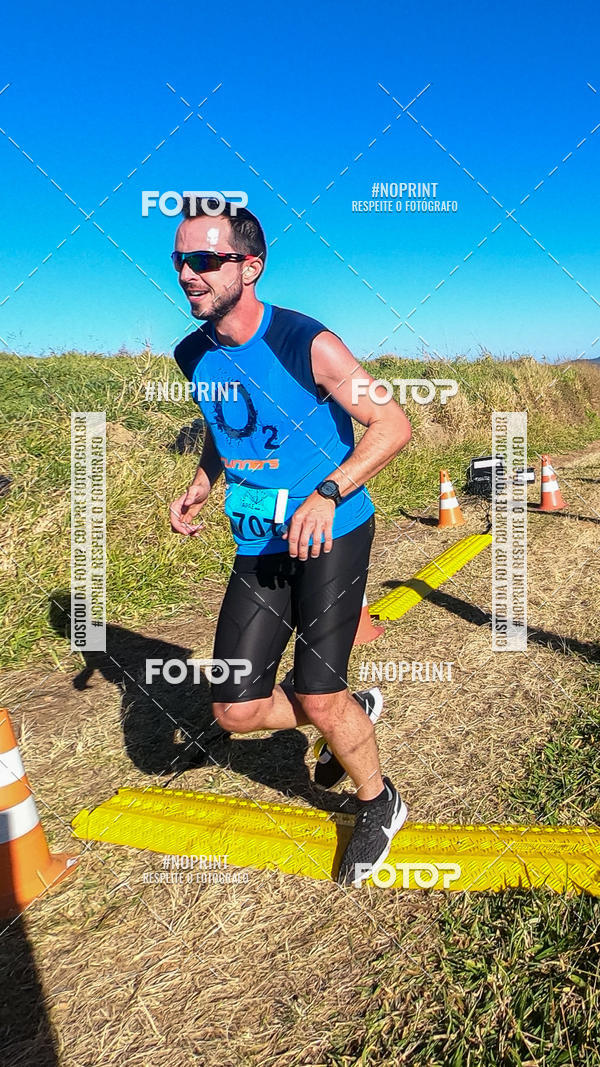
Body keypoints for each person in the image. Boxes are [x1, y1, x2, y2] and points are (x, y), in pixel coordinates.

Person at [169, 199, 412, 886]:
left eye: (205, 260)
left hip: (332, 531)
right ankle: (347, 709)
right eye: (180, 260)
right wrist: (202, 480)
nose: (188, 273)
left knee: (317, 695)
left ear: (251, 266)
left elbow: (392, 427)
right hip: (258, 540)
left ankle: (377, 799)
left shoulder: (310, 343)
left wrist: (326, 492)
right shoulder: (192, 354)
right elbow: (225, 423)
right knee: (234, 707)